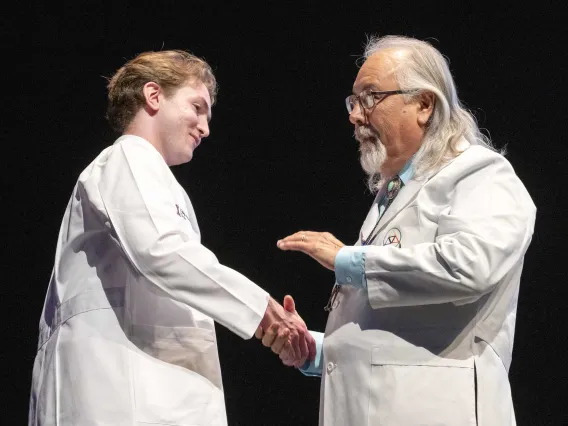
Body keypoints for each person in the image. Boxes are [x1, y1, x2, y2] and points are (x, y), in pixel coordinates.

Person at [257, 35, 536, 426]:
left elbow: (469, 266)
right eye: (353, 102)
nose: (355, 115)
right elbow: (386, 333)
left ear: (424, 104)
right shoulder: (392, 194)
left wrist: (346, 260)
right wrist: (317, 351)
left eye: (370, 97)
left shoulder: (479, 172)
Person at [28, 50, 315, 426]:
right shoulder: (128, 157)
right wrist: (264, 312)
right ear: (153, 96)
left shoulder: (163, 182)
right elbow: (161, 252)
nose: (204, 127)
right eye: (197, 107)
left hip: (153, 390)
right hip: (117, 392)